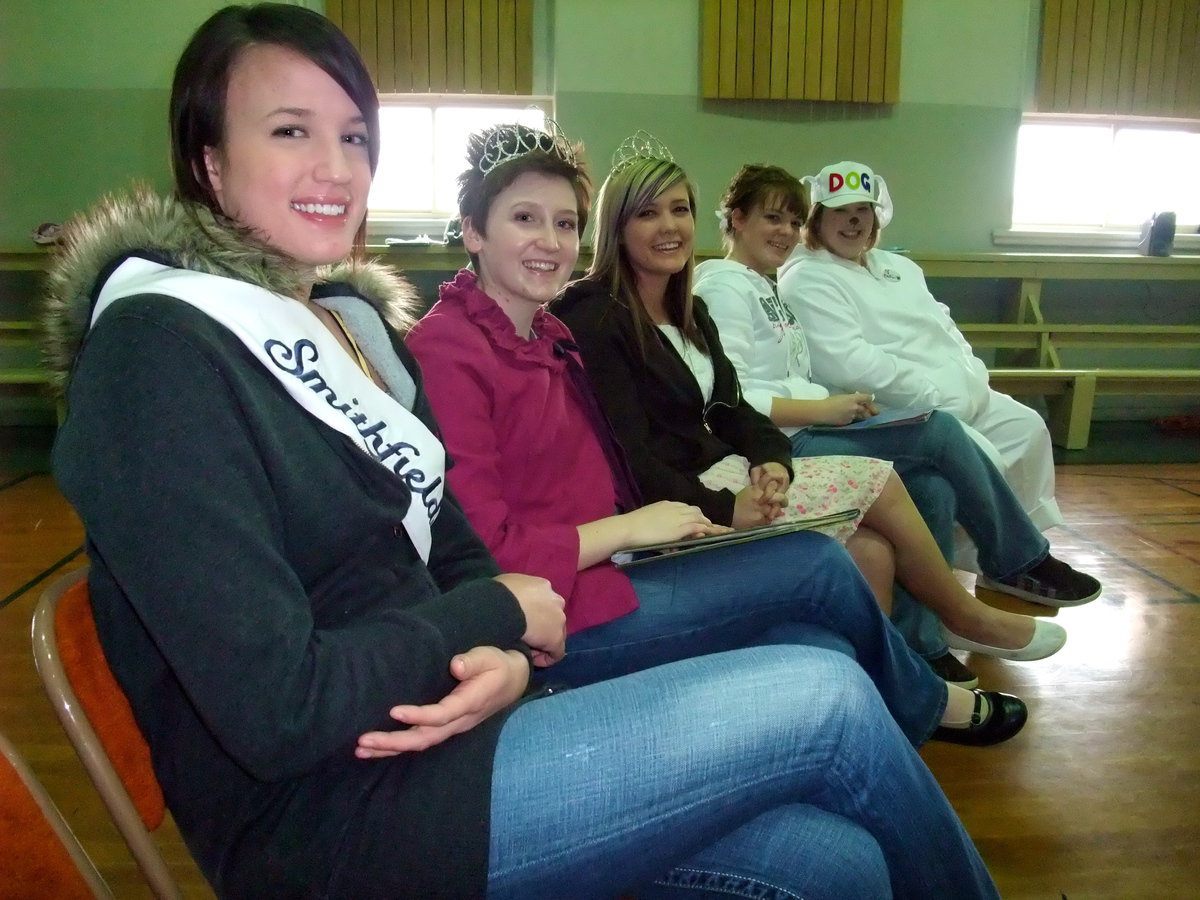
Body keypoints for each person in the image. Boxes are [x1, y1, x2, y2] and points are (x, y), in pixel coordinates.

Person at [40, 6, 1005, 898]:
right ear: (209, 161)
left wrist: (497, 644)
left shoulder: (338, 326)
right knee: (829, 698)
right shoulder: (157, 355)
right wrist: (492, 613)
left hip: (462, 720)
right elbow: (280, 706)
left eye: (354, 137)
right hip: (337, 816)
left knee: (836, 864)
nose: (334, 167)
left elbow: (445, 536)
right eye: (289, 130)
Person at [405, 122, 1028, 738]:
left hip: (622, 557)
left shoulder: (548, 334)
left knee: (822, 629)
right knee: (817, 565)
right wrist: (647, 523)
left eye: (564, 222)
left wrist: (731, 480)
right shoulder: (454, 349)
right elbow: (483, 548)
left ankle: (875, 728)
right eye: (524, 218)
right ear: (473, 231)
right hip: (564, 609)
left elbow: (681, 428)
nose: (549, 241)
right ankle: (929, 693)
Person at [552, 134, 1067, 674]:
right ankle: (966, 615)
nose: (669, 226)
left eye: (679, 210)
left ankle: (891, 680)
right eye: (647, 213)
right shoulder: (600, 317)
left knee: (875, 549)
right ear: (616, 227)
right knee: (886, 474)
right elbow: (628, 457)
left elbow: (731, 407)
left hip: (730, 472)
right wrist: (729, 507)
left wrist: (771, 458)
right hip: (679, 503)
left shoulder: (688, 313)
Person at [694, 164, 1102, 684]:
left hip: (808, 424)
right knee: (938, 432)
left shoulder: (762, 284)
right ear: (737, 219)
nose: (785, 232)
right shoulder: (726, 286)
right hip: (781, 442)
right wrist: (824, 409)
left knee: (929, 487)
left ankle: (920, 642)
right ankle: (1015, 560)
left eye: (792, 221)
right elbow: (730, 395)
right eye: (773, 218)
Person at [777, 160, 1075, 609]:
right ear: (817, 219)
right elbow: (849, 364)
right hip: (900, 406)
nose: (854, 220)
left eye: (864, 209)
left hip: (958, 391)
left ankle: (1003, 561)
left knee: (1027, 427)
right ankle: (1009, 559)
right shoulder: (808, 277)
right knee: (982, 456)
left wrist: (972, 377)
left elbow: (945, 325)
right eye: (840, 211)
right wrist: (937, 394)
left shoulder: (898, 267)